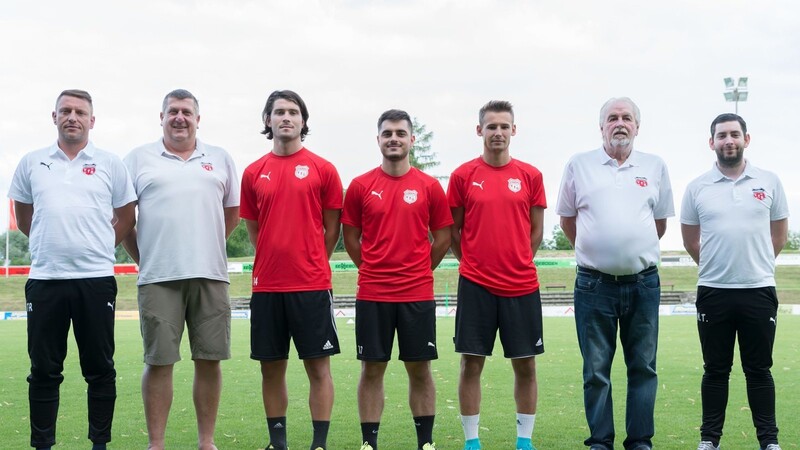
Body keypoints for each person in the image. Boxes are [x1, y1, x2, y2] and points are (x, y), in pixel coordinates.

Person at [9, 89, 136, 450]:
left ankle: (99, 443)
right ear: (54, 117)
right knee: (44, 371)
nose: (72, 117)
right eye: (65, 110)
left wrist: (95, 247)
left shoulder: (111, 163)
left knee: (99, 369)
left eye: (80, 112)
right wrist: (53, 244)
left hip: (95, 281)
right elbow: (23, 217)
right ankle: (43, 444)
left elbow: (127, 216)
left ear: (92, 121)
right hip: (45, 281)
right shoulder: (32, 162)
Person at [122, 89, 240, 450]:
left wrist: (202, 245)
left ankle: (206, 442)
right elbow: (126, 220)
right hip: (158, 278)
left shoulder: (219, 158)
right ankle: (156, 444)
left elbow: (230, 215)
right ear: (161, 117)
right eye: (172, 111)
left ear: (197, 119)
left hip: (210, 275)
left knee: (209, 361)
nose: (179, 118)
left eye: (186, 112)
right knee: (159, 363)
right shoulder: (137, 159)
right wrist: (148, 257)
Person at [555, 97, 674, 450]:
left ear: (637, 126)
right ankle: (600, 442)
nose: (619, 123)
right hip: (594, 284)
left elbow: (659, 223)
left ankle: (639, 441)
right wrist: (597, 251)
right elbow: (566, 219)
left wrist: (629, 249)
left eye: (626, 118)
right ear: (601, 126)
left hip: (643, 283)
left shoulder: (654, 166)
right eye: (612, 118)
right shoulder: (580, 164)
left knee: (643, 368)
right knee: (595, 371)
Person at [341, 109, 453, 450]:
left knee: (420, 370)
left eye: (400, 133)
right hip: (373, 294)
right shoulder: (361, 186)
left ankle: (425, 443)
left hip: (417, 295)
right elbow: (350, 238)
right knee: (371, 370)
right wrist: (373, 269)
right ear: (378, 140)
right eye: (387, 133)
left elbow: (443, 238)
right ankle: (369, 444)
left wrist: (420, 270)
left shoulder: (430, 187)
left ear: (411, 140)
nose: (394, 138)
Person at [240, 90, 342, 450]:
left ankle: (319, 444)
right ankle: (278, 443)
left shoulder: (323, 169)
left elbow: (332, 228)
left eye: (293, 112)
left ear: (303, 121)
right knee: (272, 368)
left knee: (318, 368)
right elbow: (255, 229)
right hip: (267, 287)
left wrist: (312, 258)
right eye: (279, 112)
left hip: (311, 285)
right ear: (267, 120)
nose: (286, 117)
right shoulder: (253, 172)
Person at [680, 113, 789, 450]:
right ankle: (709, 439)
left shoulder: (769, 182)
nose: (729, 141)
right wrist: (719, 267)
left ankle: (769, 441)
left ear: (746, 139)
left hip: (758, 290)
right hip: (714, 292)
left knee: (759, 370)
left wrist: (752, 265)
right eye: (722, 136)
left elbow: (779, 235)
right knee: (715, 370)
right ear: (711, 142)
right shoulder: (697, 187)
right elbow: (690, 239)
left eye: (734, 135)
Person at [448, 100, 547, 450]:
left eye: (504, 126)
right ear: (480, 131)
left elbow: (536, 230)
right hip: (476, 286)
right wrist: (473, 262)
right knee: (471, 364)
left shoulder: (530, 176)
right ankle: (472, 442)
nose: (498, 133)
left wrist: (519, 259)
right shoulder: (462, 176)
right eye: (491, 126)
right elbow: (453, 231)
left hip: (521, 286)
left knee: (526, 366)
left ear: (514, 131)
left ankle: (524, 441)